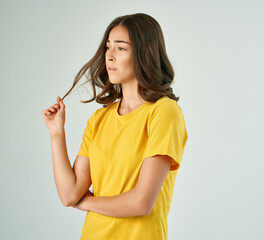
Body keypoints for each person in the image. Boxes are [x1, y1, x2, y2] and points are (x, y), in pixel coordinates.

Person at [41, 13, 188, 240]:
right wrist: (56, 132)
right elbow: (69, 194)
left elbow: (141, 203)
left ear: (144, 53)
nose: (109, 56)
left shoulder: (164, 112)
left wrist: (87, 202)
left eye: (120, 48)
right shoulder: (99, 119)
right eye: (108, 47)